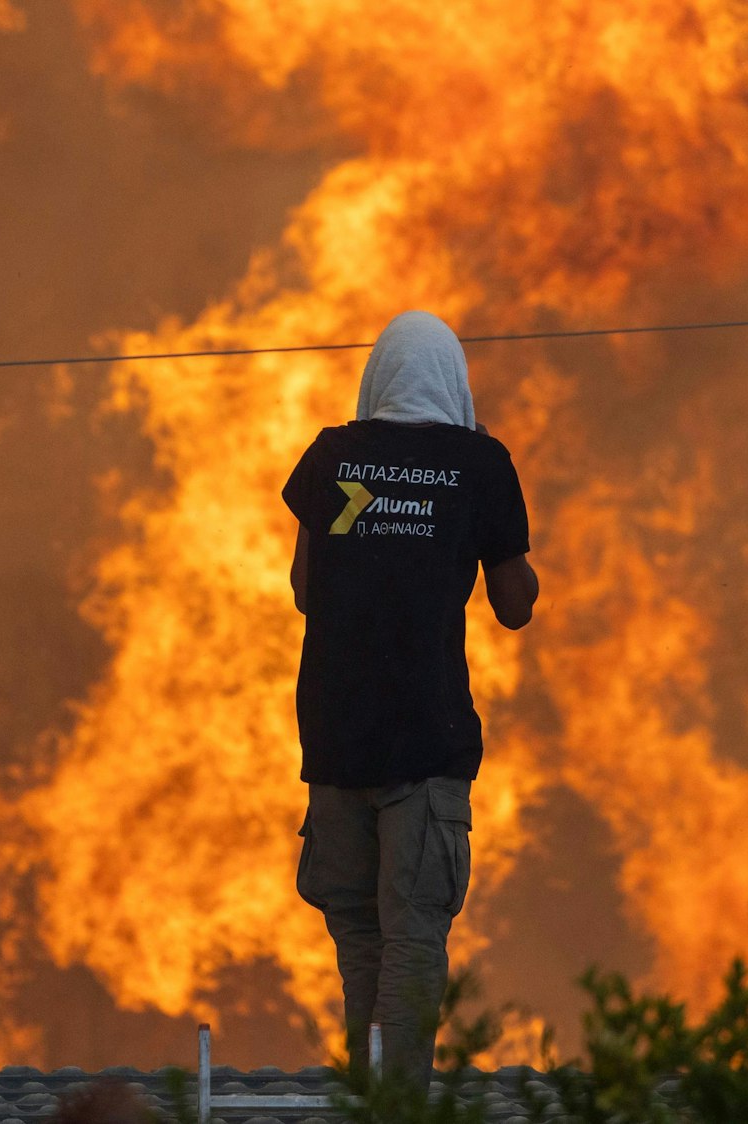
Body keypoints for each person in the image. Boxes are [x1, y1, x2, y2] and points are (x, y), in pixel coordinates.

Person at [283, 310, 539, 1084]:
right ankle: (400, 1104)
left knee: (360, 931)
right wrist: (483, 498)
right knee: (415, 932)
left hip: (334, 738)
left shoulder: (332, 456)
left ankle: (371, 1094)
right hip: (427, 742)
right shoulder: (478, 463)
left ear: (377, 380)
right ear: (453, 385)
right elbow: (515, 604)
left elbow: (302, 589)